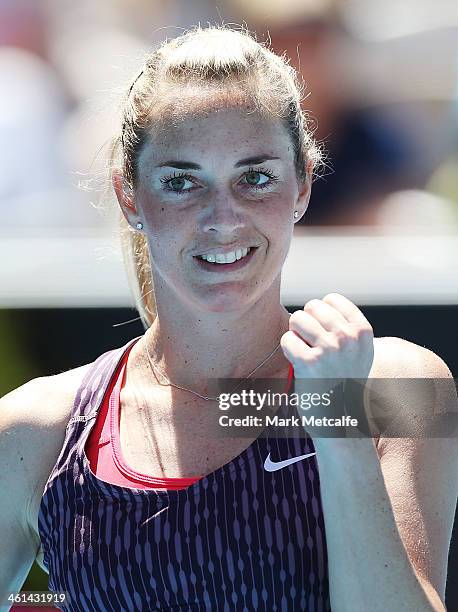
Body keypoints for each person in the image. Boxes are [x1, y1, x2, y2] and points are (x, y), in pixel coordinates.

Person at [1, 25, 456, 612]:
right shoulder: (35, 429)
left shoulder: (397, 388)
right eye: (182, 182)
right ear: (129, 194)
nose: (222, 219)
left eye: (256, 177)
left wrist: (338, 427)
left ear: (302, 186)